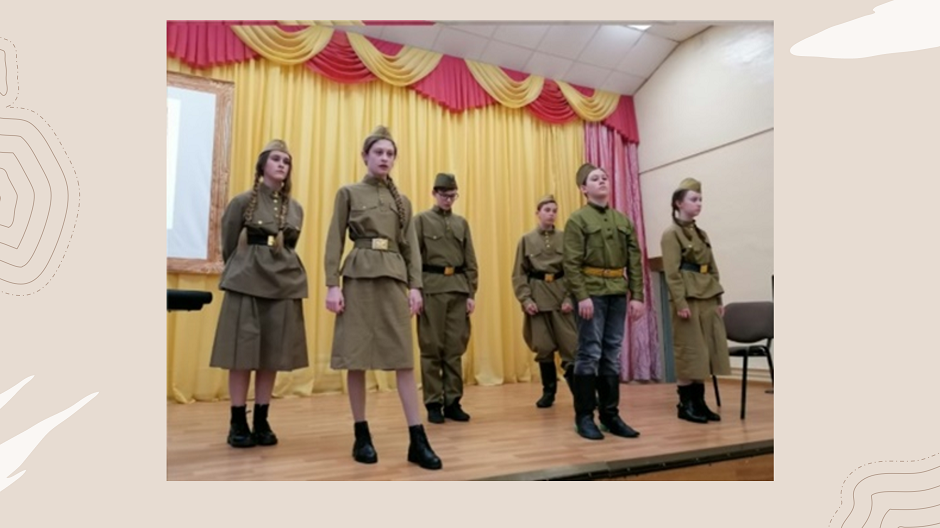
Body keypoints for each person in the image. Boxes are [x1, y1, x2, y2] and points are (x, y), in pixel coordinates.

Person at [324, 125, 442, 470]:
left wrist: (416, 286)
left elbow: (411, 249)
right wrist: (332, 283)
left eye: (390, 153)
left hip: (393, 277)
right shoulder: (348, 192)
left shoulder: (401, 202)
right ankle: (361, 433)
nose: (385, 158)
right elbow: (334, 238)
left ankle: (417, 438)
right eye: (378, 152)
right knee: (356, 358)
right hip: (358, 276)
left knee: (404, 359)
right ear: (365, 156)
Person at [210, 139, 309, 448]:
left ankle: (262, 419)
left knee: (271, 355)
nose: (282, 165)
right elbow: (228, 243)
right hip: (246, 281)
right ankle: (237, 421)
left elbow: (290, 246)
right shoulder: (242, 202)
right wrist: (241, 268)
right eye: (276, 159)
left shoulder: (296, 208)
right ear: (263, 165)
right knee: (241, 355)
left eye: (286, 161)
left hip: (283, 283)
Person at [563, 163, 646, 440]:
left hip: (616, 292)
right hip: (591, 292)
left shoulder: (623, 220)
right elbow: (571, 263)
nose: (602, 181)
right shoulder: (578, 220)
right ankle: (584, 417)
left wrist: (637, 296)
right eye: (594, 179)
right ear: (583, 189)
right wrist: (582, 295)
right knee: (589, 353)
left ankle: (610, 415)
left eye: (604, 177)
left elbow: (634, 260)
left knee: (612, 352)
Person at [660, 177, 729, 424]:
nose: (698, 203)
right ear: (679, 203)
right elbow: (672, 272)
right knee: (689, 350)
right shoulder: (671, 234)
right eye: (693, 199)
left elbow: (711, 266)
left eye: (700, 199)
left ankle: (699, 402)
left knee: (704, 351)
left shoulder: (701, 233)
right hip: (688, 296)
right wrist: (680, 303)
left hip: (707, 295)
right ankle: (685, 404)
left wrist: (719, 298)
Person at [414, 173, 478, 424]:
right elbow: (414, 260)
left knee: (454, 348)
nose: (448, 200)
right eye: (444, 195)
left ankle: (453, 401)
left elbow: (471, 261)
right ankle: (433, 403)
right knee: (431, 349)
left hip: (458, 290)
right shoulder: (421, 221)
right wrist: (415, 290)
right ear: (434, 193)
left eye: (452, 195)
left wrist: (471, 293)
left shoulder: (461, 223)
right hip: (431, 289)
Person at [511, 194, 578, 408]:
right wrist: (526, 299)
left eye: (554, 210)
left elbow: (572, 271)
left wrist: (569, 297)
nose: (551, 214)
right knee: (543, 347)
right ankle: (549, 392)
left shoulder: (565, 237)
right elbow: (519, 274)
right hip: (538, 299)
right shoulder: (526, 240)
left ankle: (581, 393)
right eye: (547, 210)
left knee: (571, 347)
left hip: (561, 297)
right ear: (538, 213)